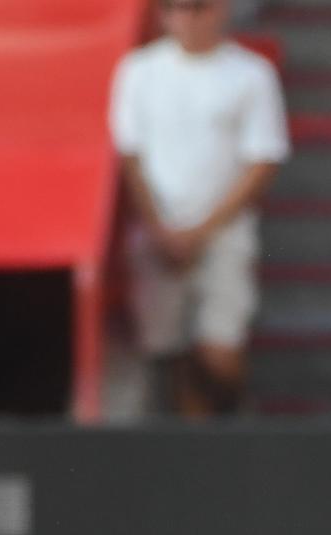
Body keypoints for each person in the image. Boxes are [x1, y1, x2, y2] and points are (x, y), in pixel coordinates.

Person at [109, 0, 290, 416]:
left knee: (218, 352)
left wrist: (199, 231)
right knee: (164, 350)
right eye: (176, 8)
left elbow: (262, 160)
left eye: (197, 8)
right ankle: (194, 445)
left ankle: (222, 433)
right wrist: (160, 228)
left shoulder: (250, 74)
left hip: (222, 234)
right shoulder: (139, 71)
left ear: (220, 11)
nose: (186, 18)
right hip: (159, 234)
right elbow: (130, 157)